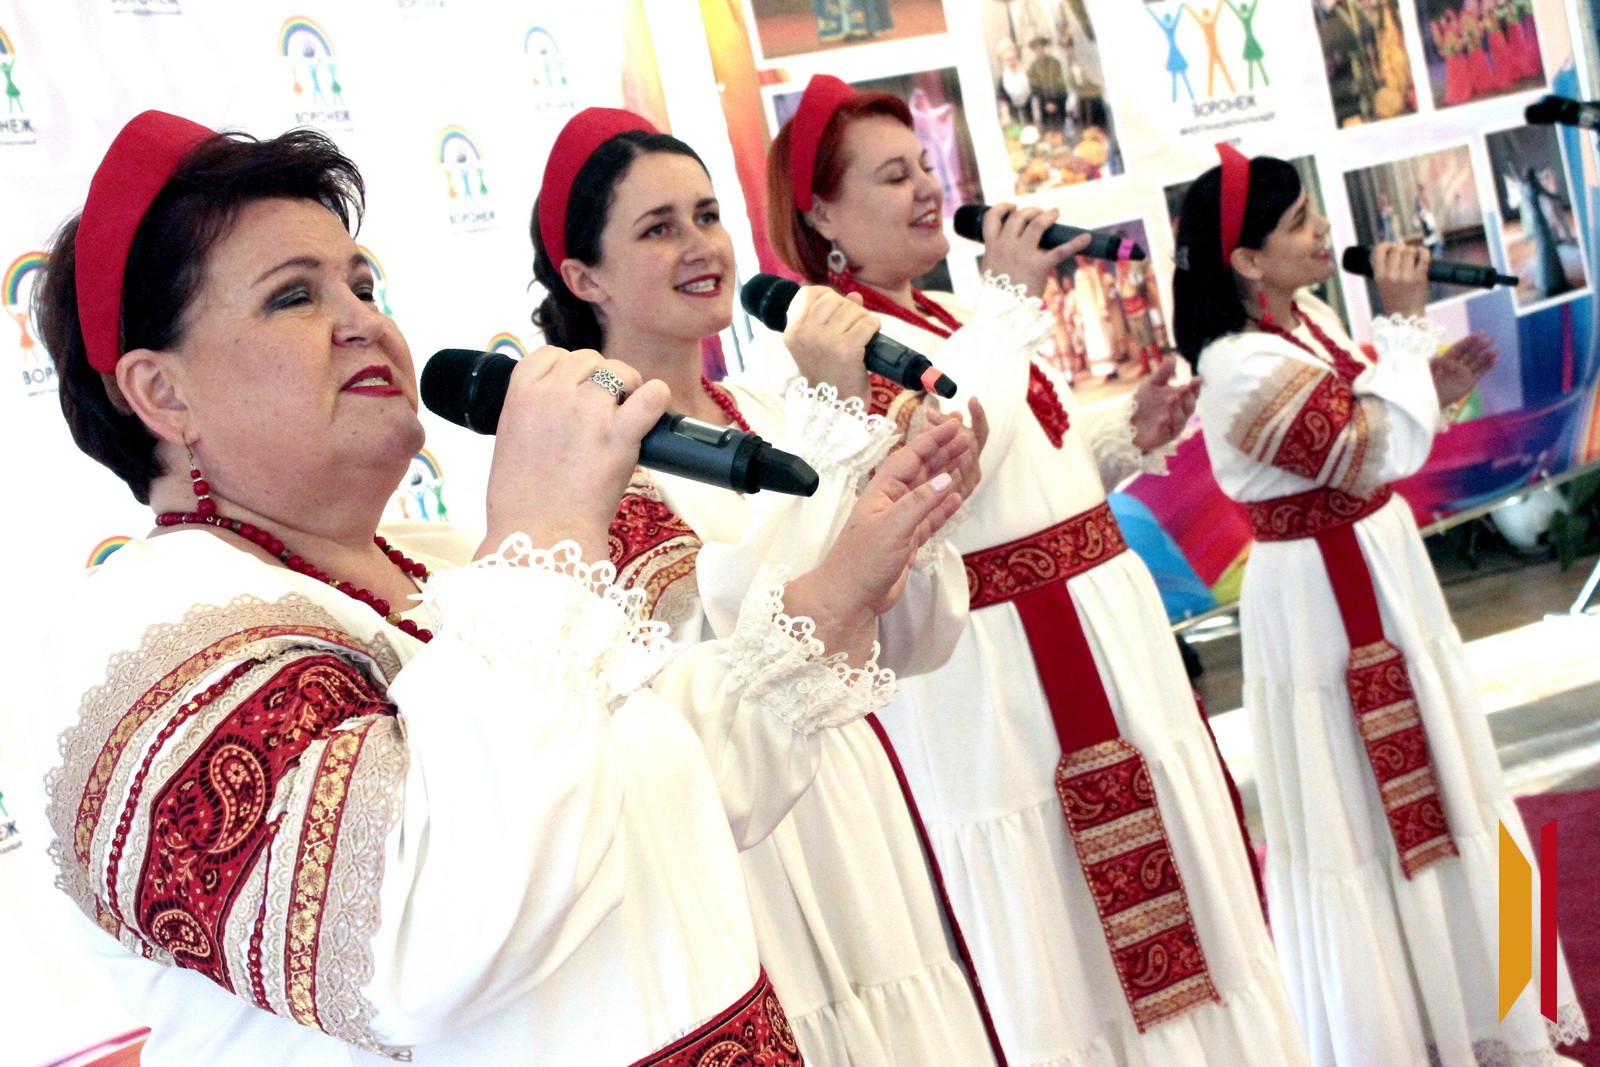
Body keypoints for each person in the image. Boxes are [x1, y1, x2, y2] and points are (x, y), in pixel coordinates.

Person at [34, 110, 962, 1066]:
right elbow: (420, 935)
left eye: (363, 284)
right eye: (294, 296)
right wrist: (542, 533)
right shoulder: (147, 637)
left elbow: (656, 793)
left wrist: (836, 594)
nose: (364, 321)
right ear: (161, 392)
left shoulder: (437, 570)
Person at [757, 73, 1309, 1067]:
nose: (928, 188)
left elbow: (1023, 481)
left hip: (1104, 635)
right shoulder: (832, 348)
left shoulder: (941, 312)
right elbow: (952, 461)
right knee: (1069, 929)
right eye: (892, 176)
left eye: (925, 165)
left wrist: (1121, 436)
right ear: (822, 214)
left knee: (1183, 886)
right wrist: (1008, 302)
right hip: (1003, 672)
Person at [528, 107, 998, 1066]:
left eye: (707, 215)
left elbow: (910, 641)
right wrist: (837, 418)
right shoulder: (591, 459)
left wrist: (922, 495)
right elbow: (743, 646)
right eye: (658, 228)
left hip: (858, 793)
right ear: (584, 278)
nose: (700, 245)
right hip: (752, 833)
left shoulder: (768, 407)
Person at [1171, 145, 1588, 1067]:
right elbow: (1365, 451)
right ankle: (1398, 1041)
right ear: (1245, 260)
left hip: (1378, 566)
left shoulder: (1311, 321)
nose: (1325, 229)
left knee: (1460, 775)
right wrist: (1402, 329)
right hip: (1319, 597)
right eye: (1299, 222)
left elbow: (1373, 433)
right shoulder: (1237, 365)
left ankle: (1511, 1016)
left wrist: (1427, 387)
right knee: (1353, 817)